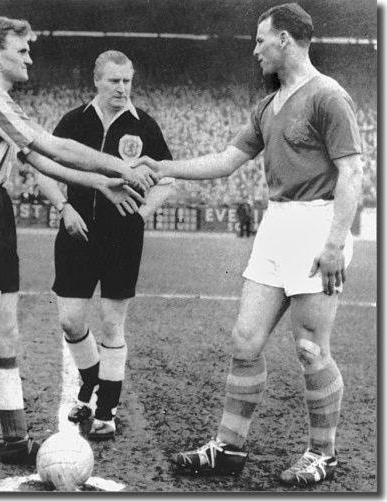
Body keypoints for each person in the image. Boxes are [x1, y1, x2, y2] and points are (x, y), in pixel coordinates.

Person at [0, 17, 157, 475]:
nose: (29, 58)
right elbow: (54, 145)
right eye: (21, 51)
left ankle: (15, 441)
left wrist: (102, 183)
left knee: (5, 334)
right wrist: (121, 170)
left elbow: (40, 159)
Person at [135, 3, 363, 486]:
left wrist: (335, 242)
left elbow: (352, 172)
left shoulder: (328, 96)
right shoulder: (267, 105)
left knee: (309, 349)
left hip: (317, 223)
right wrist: (163, 166)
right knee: (245, 340)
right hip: (276, 226)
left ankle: (323, 453)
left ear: (285, 39)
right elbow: (224, 161)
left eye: (261, 40)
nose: (255, 49)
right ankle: (228, 448)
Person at [34, 50, 174, 440]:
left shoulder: (144, 126)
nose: (122, 88)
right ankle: (92, 381)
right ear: (96, 80)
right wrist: (64, 207)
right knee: (71, 320)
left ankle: (106, 411)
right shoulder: (73, 121)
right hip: (76, 232)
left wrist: (142, 214)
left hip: (122, 239)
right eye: (114, 80)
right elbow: (41, 167)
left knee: (113, 324)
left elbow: (168, 180)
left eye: (128, 80)